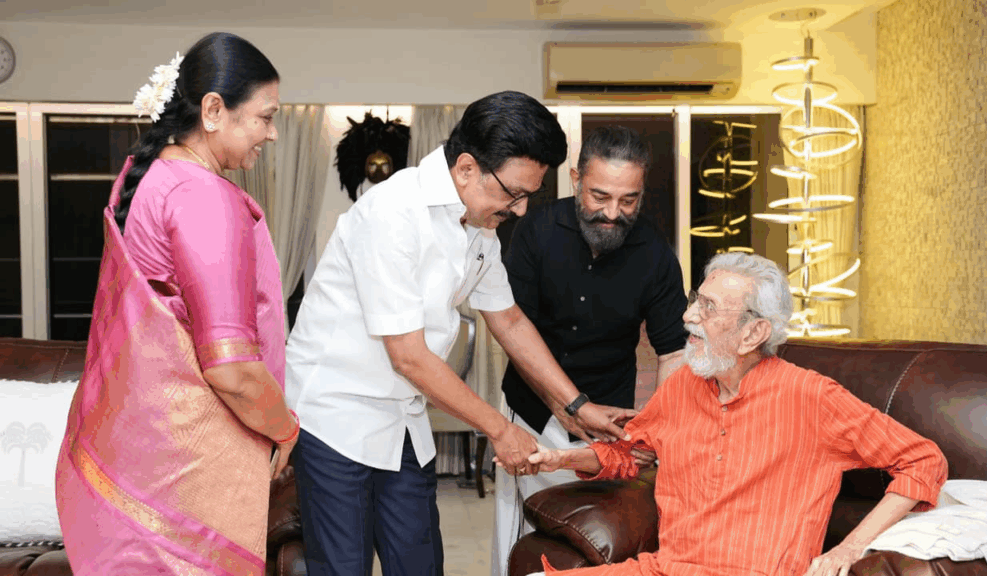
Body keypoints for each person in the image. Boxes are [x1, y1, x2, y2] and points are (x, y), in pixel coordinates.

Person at [285, 91, 637, 576]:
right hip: (336, 417)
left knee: (420, 564)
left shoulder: (479, 227)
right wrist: (500, 428)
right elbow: (408, 356)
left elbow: (508, 319)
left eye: (529, 196)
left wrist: (575, 404)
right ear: (467, 168)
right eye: (514, 193)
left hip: (402, 418)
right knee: (343, 568)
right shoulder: (392, 213)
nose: (520, 210)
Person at [515, 252, 949, 576]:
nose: (688, 316)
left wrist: (849, 548)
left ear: (753, 332)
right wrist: (560, 458)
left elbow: (922, 460)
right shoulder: (683, 385)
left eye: (707, 308)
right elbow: (631, 453)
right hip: (664, 569)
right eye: (695, 300)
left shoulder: (812, 396)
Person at [55, 32, 298, 575]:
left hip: (146, 457)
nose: (273, 133)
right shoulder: (203, 196)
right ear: (213, 111)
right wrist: (285, 427)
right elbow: (232, 368)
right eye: (265, 117)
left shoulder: (152, 177)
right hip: (186, 468)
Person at [493, 125, 688, 576]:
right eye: (600, 196)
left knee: (596, 538)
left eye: (628, 200)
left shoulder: (656, 254)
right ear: (577, 178)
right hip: (532, 408)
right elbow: (512, 329)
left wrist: (654, 432)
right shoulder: (536, 229)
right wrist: (564, 405)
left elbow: (673, 353)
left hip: (608, 418)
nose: (613, 213)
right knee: (523, 533)